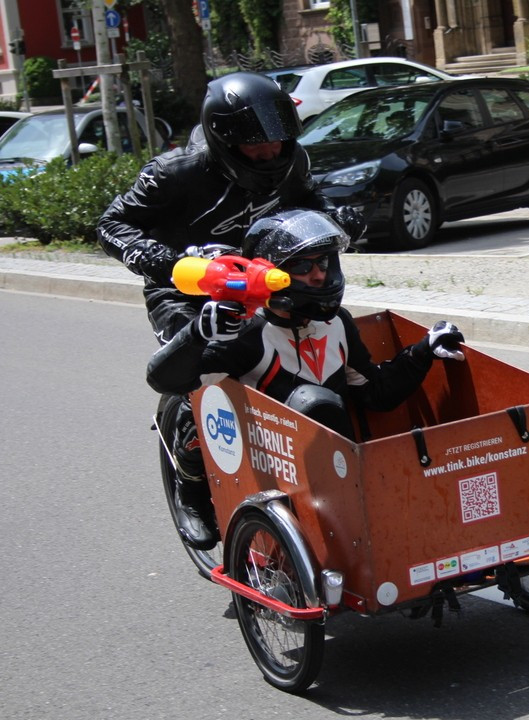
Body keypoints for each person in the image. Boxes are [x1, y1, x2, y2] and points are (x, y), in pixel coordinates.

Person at [146, 209, 466, 549]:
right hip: (264, 463)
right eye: (302, 267)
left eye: (323, 264)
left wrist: (423, 351)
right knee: (196, 396)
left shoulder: (338, 323)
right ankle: (191, 487)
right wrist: (197, 334)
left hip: (332, 467)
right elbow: (163, 379)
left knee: (322, 405)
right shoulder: (245, 334)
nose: (317, 276)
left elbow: (377, 394)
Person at [98, 71, 364, 345]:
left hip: (267, 284)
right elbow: (111, 224)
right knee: (196, 367)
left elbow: (310, 199)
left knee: (323, 339)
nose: (270, 151)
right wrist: (154, 257)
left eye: (276, 138)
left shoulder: (294, 159)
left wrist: (335, 216)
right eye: (255, 144)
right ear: (224, 140)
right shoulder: (172, 173)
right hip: (186, 290)